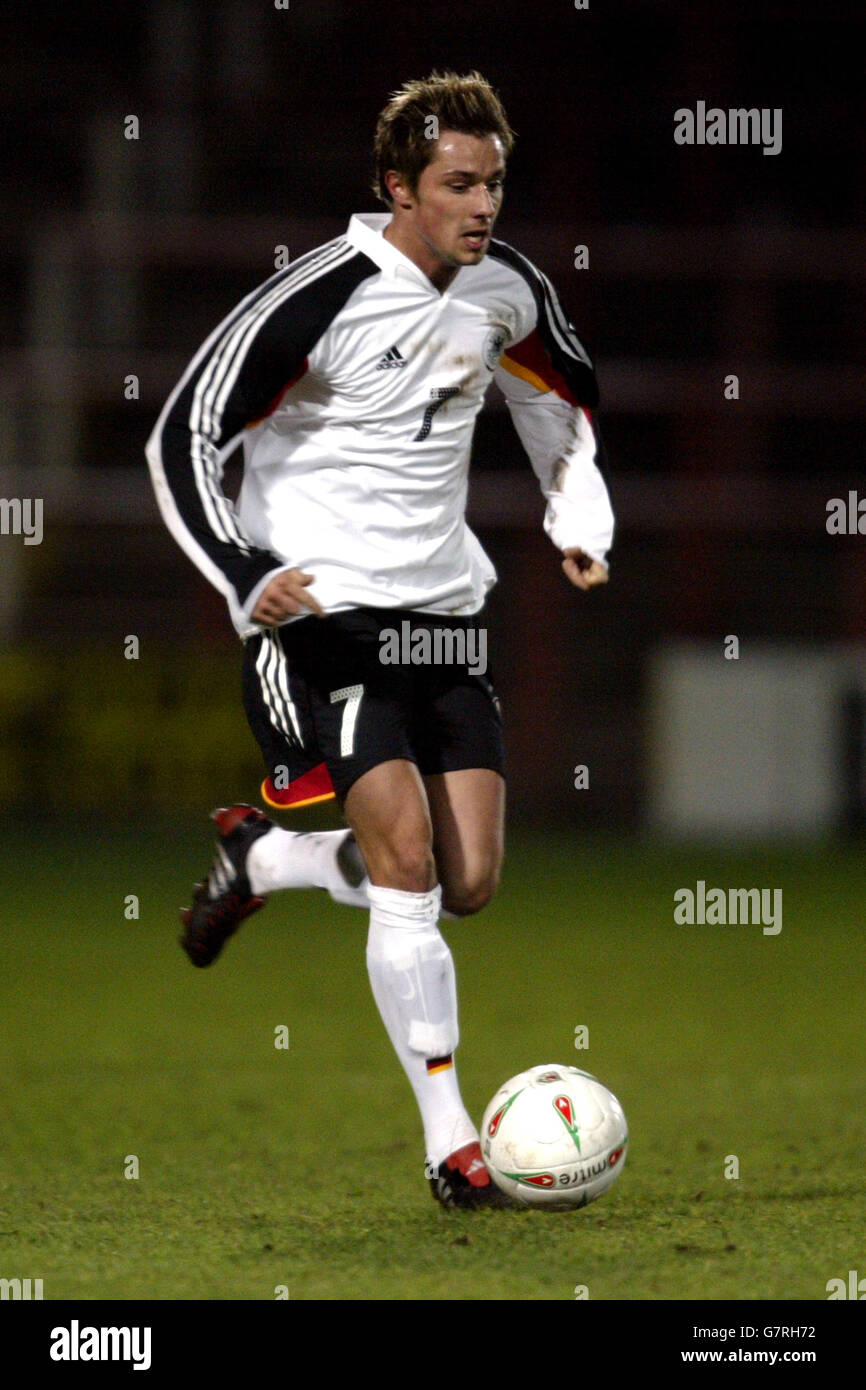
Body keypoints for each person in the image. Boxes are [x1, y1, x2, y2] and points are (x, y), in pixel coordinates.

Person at [146, 70, 614, 1209]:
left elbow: (557, 399)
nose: (482, 203)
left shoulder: (505, 289)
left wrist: (576, 517)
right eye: (458, 182)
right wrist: (246, 571)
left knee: (469, 881)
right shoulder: (318, 298)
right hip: (324, 616)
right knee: (404, 865)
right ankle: (451, 1141)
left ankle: (264, 857)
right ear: (396, 186)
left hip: (445, 615)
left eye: (494, 181)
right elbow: (181, 436)